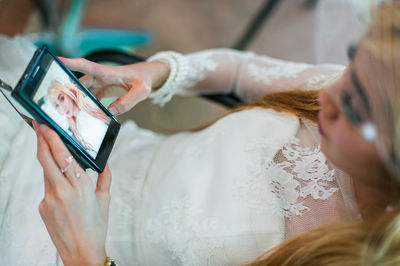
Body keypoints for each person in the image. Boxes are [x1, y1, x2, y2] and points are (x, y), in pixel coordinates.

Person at [1, 1, 400, 265]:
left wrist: (87, 256)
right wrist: (156, 74)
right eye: (349, 68)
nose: (326, 94)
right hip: (100, 157)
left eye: (353, 106)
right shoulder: (341, 88)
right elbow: (240, 72)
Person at [45, 80, 110, 156]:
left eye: (62, 99)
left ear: (68, 94)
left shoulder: (89, 104)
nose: (62, 108)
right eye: (56, 105)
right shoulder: (73, 129)